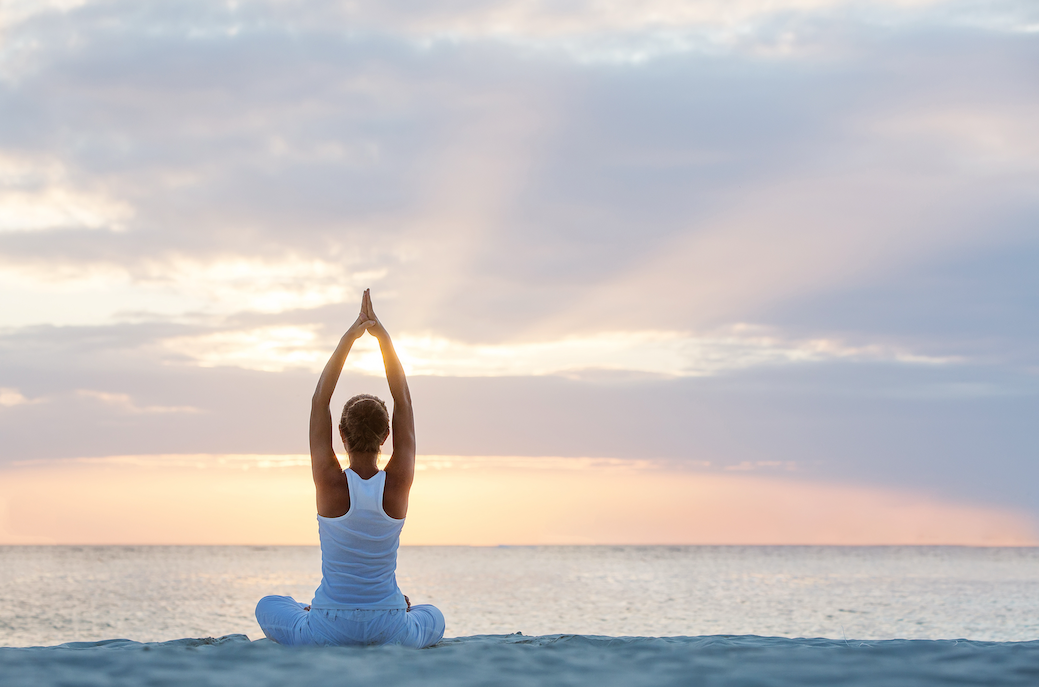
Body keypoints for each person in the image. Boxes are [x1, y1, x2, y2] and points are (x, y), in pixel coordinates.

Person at [255, 289, 445, 648]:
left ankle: (310, 610)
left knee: (268, 605)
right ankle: (393, 608)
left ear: (340, 433)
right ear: (386, 435)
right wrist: (382, 339)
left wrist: (350, 337)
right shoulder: (398, 483)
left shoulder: (329, 483)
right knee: (434, 616)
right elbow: (403, 398)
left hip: (328, 626)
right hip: (390, 625)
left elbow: (319, 401)